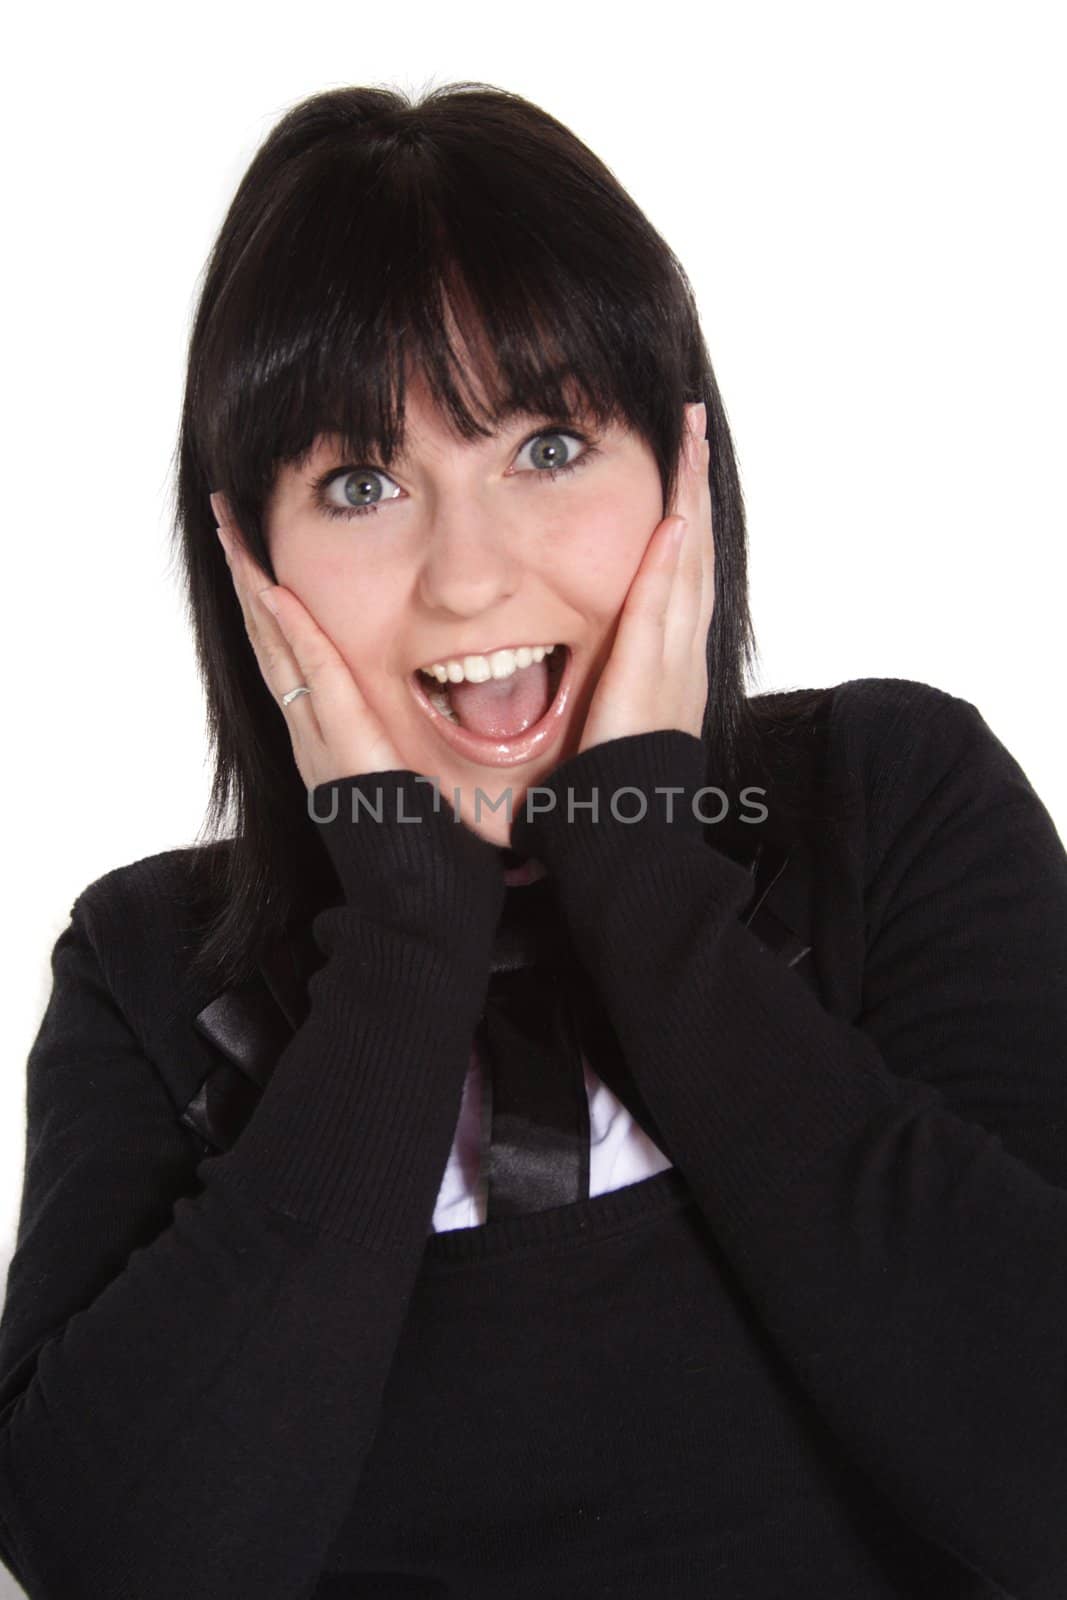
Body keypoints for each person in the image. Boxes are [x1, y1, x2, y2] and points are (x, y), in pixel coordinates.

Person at [0, 80, 1065, 1600]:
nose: (469, 576)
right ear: (247, 555)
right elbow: (115, 1560)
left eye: (549, 447)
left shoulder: (889, 797)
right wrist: (407, 938)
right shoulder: (148, 970)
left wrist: (637, 865)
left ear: (683, 467)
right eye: (363, 484)